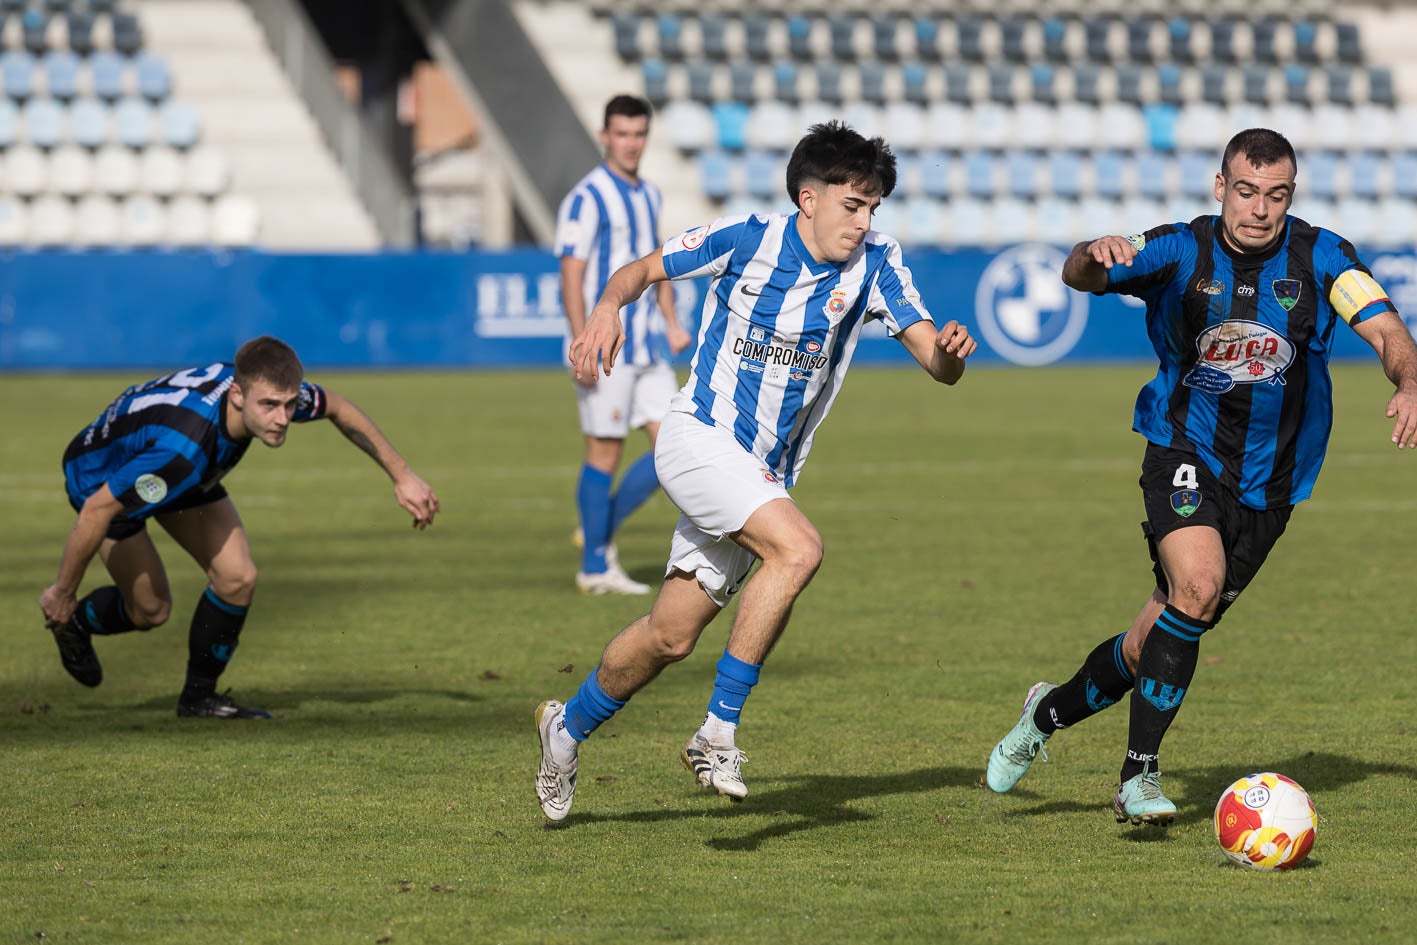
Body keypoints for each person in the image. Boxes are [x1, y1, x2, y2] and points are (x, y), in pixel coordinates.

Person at [534, 121, 978, 822]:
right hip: (697, 436)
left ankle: (565, 728)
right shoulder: (746, 239)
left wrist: (951, 350)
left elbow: (936, 363)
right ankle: (717, 732)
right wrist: (605, 310)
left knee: (669, 635)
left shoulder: (879, 264)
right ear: (808, 198)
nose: (863, 224)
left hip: (760, 474)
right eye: (851, 206)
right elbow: (639, 271)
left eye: (872, 210)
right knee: (798, 549)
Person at [985, 128, 1417, 826]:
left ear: (1290, 196)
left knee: (1152, 636)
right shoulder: (1178, 249)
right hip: (1182, 447)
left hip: (1273, 486)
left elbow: (1386, 327)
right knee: (1196, 585)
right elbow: (1079, 276)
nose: (1258, 209)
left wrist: (1409, 379)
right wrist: (1090, 252)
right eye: (1245, 192)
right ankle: (1137, 776)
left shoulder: (1321, 255)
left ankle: (1045, 712)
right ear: (1220, 188)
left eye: (1274, 196)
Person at [40, 335, 440, 719]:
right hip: (101, 478)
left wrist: (402, 475)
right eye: (269, 406)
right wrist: (62, 592)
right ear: (237, 395)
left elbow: (336, 406)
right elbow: (96, 511)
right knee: (151, 610)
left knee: (238, 578)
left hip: (174, 462)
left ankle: (199, 699)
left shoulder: (264, 392)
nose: (282, 419)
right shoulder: (182, 451)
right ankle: (75, 622)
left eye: (287, 405)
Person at [556, 94, 693, 596]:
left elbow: (657, 264)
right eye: (622, 134)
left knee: (672, 448)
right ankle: (594, 566)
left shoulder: (650, 195)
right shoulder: (586, 197)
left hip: (649, 348)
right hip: (605, 346)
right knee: (605, 453)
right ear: (605, 136)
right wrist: (581, 339)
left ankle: (596, 533)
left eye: (639, 134)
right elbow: (571, 272)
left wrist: (672, 320)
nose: (631, 143)